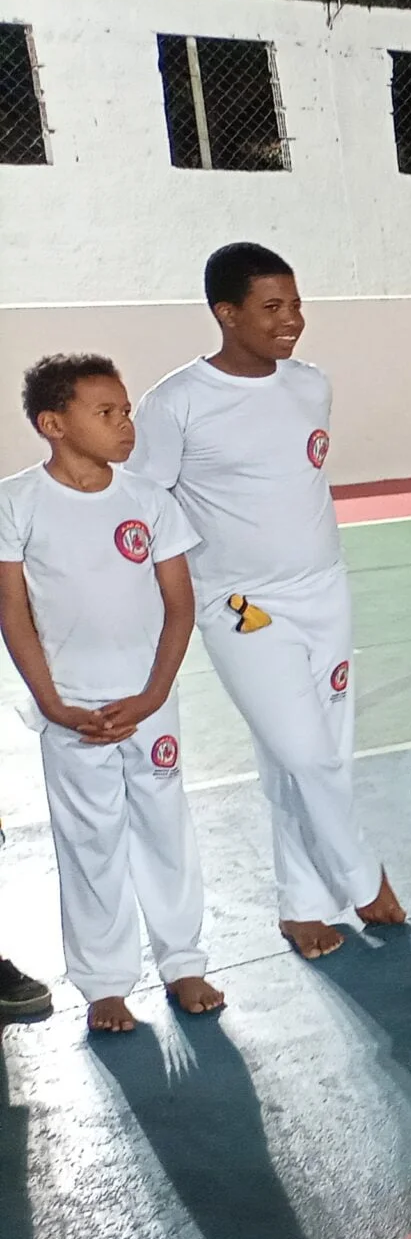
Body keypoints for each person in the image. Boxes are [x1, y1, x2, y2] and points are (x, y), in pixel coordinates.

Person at [125, 242, 402, 959]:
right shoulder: (177, 402)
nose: (293, 320)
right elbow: (146, 509)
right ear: (227, 313)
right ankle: (363, 878)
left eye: (297, 303)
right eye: (272, 307)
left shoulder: (311, 386)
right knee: (304, 753)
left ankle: (303, 903)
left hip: (324, 589)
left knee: (313, 755)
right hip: (240, 605)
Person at [0, 355, 215, 1032]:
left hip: (148, 704)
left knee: (164, 829)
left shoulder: (149, 499)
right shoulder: (17, 501)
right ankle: (104, 982)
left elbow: (180, 605)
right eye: (107, 413)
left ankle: (184, 960)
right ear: (53, 424)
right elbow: (13, 612)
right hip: (72, 710)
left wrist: (154, 694)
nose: (126, 424)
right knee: (88, 839)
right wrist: (53, 703)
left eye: (126, 410)